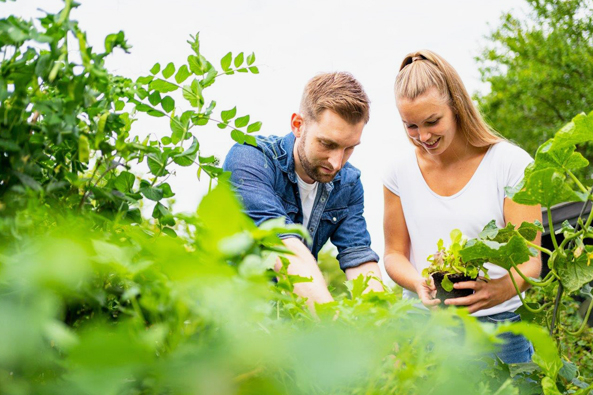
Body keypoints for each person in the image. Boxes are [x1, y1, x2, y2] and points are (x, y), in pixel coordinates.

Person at [382, 50, 542, 363]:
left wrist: (499, 290)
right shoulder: (398, 173)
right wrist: (417, 282)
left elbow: (532, 260)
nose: (423, 136)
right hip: (421, 328)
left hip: (496, 331)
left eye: (432, 121)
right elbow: (393, 254)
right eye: (410, 126)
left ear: (456, 106)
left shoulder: (510, 164)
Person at [223, 72, 384, 310]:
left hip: (293, 319)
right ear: (298, 125)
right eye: (327, 144)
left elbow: (359, 259)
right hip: (235, 314)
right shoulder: (250, 160)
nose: (337, 163)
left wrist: (383, 330)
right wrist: (334, 325)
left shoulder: (348, 183)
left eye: (349, 148)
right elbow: (284, 246)